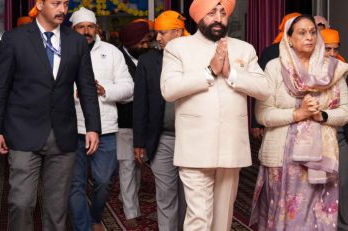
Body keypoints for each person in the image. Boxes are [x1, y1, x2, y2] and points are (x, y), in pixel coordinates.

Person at [0, 0, 101, 230]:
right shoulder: (14, 39)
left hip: (63, 133)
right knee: (21, 202)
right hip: (22, 131)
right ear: (39, 4)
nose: (62, 10)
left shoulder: (76, 41)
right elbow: (0, 87)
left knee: (56, 207)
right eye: (55, 3)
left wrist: (93, 127)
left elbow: (87, 87)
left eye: (66, 4)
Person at [160, 1, 270, 230]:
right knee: (199, 218)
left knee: (223, 220)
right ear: (199, 17)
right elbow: (169, 90)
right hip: (194, 147)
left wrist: (231, 73)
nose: (219, 18)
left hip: (231, 146)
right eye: (211, 12)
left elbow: (264, 88)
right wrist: (209, 71)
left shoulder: (244, 48)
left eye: (223, 12)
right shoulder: (178, 47)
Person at [249, 15, 348, 230]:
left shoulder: (333, 68)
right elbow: (263, 114)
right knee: (286, 217)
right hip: (282, 157)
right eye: (302, 33)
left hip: (321, 155)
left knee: (318, 216)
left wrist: (321, 115)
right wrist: (298, 113)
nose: (309, 37)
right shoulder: (274, 68)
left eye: (313, 32)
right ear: (289, 38)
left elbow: (346, 111)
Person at [68, 7, 134, 231]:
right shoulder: (62, 50)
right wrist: (73, 94)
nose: (86, 31)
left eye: (90, 26)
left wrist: (104, 90)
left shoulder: (112, 52)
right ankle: (83, 226)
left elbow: (129, 89)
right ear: (73, 29)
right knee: (74, 184)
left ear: (96, 28)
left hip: (105, 129)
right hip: (71, 128)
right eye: (81, 27)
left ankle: (95, 215)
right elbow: (50, 88)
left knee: (103, 181)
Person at [132, 10, 188, 231]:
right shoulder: (148, 61)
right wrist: (139, 141)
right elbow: (140, 103)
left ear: (177, 32)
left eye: (162, 33)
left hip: (192, 139)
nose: (157, 38)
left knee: (190, 196)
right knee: (165, 194)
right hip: (162, 138)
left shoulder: (197, 58)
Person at [321, 28, 348, 231]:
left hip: (341, 136)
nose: (332, 54)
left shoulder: (342, 69)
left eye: (335, 49)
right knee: (318, 185)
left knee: (344, 184)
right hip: (317, 136)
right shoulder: (306, 70)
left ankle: (345, 227)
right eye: (327, 49)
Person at [116, 20, 150, 227]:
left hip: (145, 122)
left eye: (148, 42)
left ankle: (125, 197)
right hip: (125, 121)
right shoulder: (116, 58)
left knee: (138, 164)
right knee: (127, 165)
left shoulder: (149, 57)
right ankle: (130, 212)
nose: (146, 46)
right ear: (130, 42)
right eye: (142, 42)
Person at [250, 12, 301, 140]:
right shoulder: (271, 52)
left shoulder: (312, 53)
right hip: (276, 114)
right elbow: (260, 86)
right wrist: (256, 122)